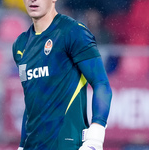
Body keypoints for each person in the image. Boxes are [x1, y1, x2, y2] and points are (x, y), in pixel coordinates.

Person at [12, 0, 112, 149]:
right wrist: (22, 145)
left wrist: (96, 136)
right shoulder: (20, 45)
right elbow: (31, 98)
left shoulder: (73, 32)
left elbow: (101, 83)